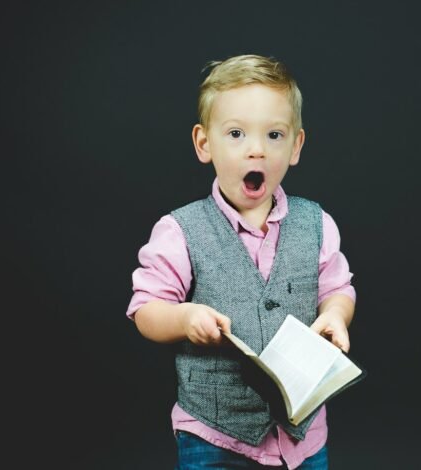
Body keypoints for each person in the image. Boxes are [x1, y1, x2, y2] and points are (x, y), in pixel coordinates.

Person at [126, 54, 356, 470]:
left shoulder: (317, 223)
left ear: (296, 146)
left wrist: (336, 315)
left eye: (274, 134)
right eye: (235, 133)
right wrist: (184, 318)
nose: (256, 149)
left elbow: (338, 288)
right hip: (214, 433)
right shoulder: (180, 230)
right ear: (204, 143)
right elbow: (145, 310)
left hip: (300, 435)